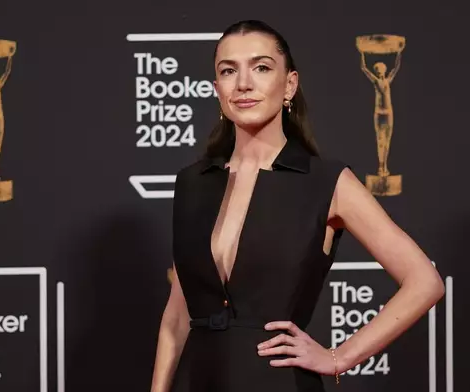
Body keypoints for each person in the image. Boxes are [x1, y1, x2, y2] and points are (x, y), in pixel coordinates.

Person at [150, 20, 444, 392]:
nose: (243, 83)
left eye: (261, 67)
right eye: (228, 71)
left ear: (289, 84)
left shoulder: (326, 182)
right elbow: (178, 316)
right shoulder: (193, 183)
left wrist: (340, 357)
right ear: (217, 89)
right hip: (198, 380)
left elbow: (424, 282)